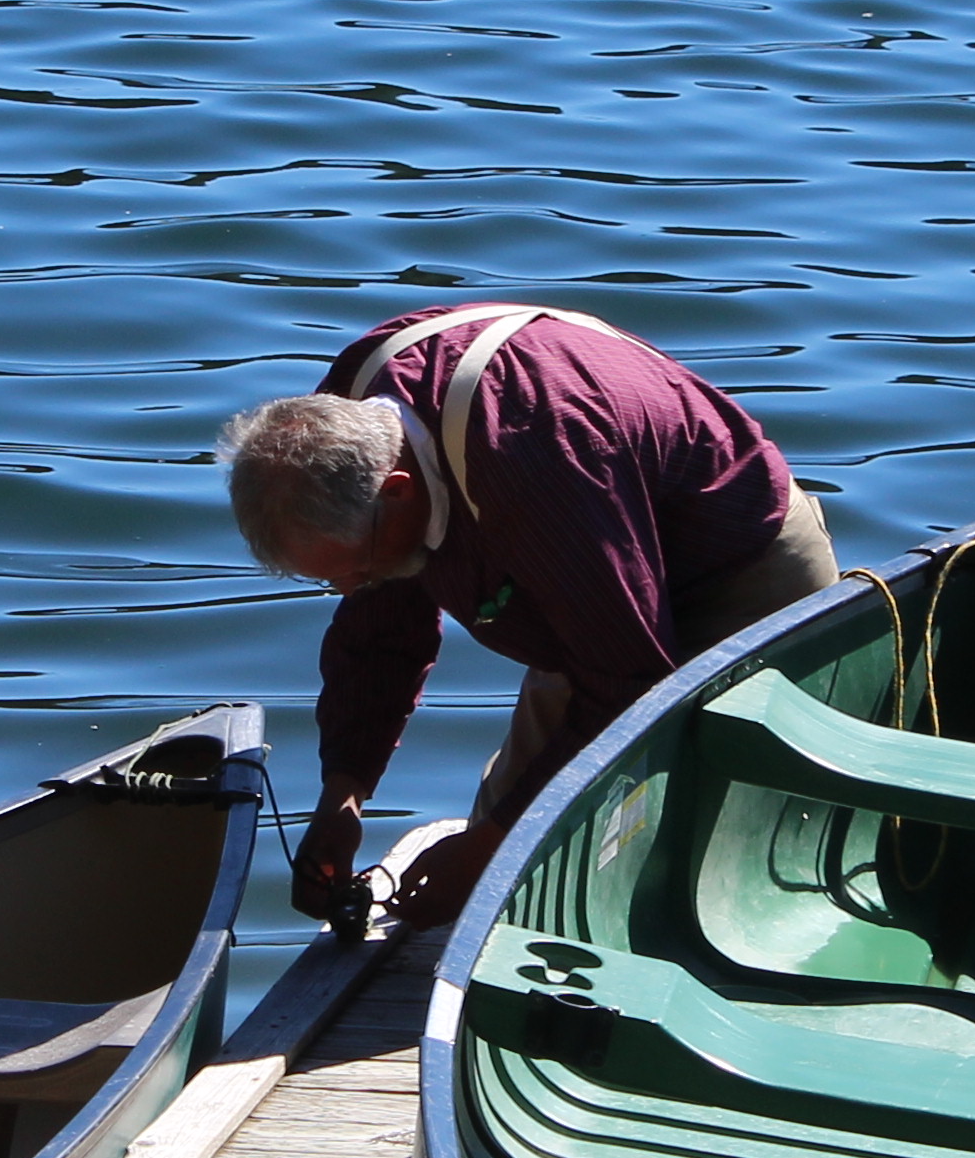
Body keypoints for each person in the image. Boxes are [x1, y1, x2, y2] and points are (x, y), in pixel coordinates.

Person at [216, 302, 840, 928]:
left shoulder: (538, 457)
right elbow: (381, 629)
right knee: (505, 861)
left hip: (737, 570)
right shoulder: (347, 416)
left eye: (356, 570)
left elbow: (626, 681)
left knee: (703, 856)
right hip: (591, 593)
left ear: (398, 489)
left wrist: (489, 851)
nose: (349, 588)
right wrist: (343, 793)